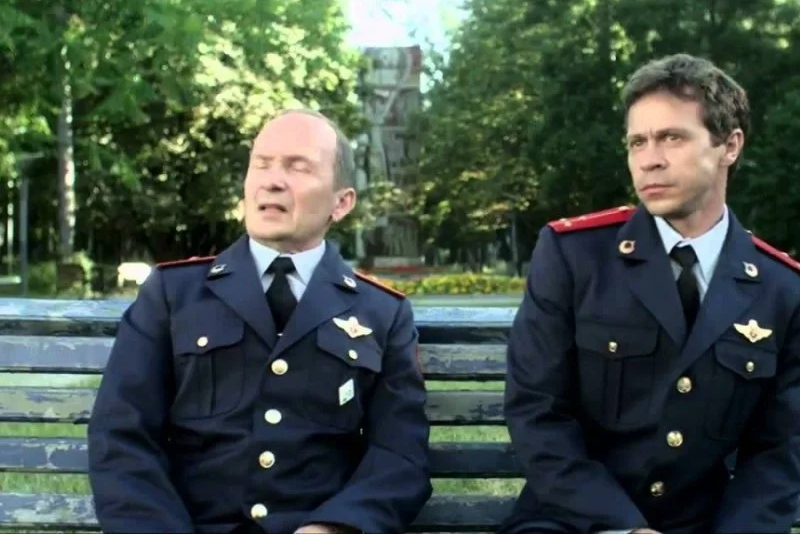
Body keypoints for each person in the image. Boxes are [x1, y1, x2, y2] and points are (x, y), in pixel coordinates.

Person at [88, 109, 432, 534]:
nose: (272, 181)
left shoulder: (381, 312)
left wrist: (335, 528)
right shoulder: (173, 294)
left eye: (298, 167)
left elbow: (400, 456)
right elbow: (122, 436)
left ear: (341, 202)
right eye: (262, 164)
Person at [500, 54, 800, 534]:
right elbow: (538, 413)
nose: (649, 159)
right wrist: (625, 528)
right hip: (575, 520)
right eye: (637, 142)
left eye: (672, 138)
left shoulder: (781, 288)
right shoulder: (575, 256)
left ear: (730, 145)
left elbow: (780, 451)